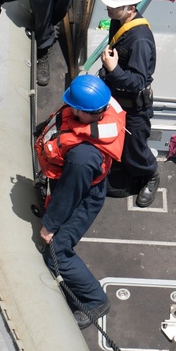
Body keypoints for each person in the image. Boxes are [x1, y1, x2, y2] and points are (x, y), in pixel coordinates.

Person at [36, 75, 125, 329]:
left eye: (75, 107)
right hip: (77, 182)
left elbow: (70, 193)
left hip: (85, 196)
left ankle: (95, 301)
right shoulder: (96, 107)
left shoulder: (83, 156)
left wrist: (50, 225)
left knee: (58, 256)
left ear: (87, 113)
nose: (71, 109)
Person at [98, 0, 160, 207]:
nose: (108, 10)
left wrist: (113, 70)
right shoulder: (119, 21)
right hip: (116, 97)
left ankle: (151, 174)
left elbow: (138, 81)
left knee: (135, 151)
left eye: (113, 7)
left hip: (134, 107)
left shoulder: (140, 40)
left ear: (130, 8)